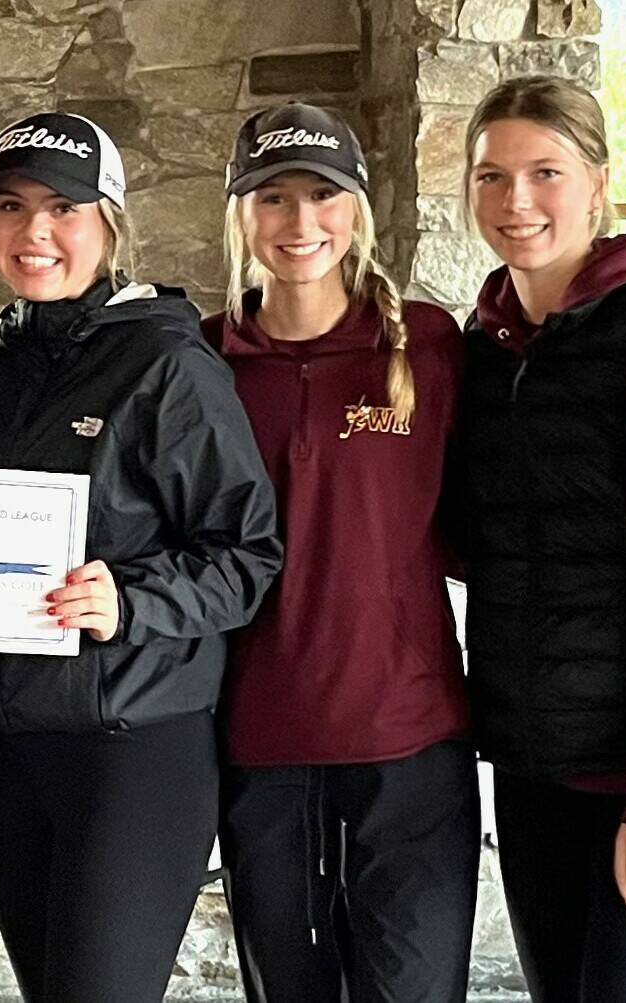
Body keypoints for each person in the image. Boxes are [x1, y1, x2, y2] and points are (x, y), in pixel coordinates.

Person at [0, 110, 282, 1003]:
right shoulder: (1, 366)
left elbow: (250, 553)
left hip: (135, 748)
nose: (36, 232)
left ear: (109, 224)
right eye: (13, 206)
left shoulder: (170, 365)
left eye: (65, 208)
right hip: (18, 747)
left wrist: (132, 599)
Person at [203, 102, 479, 1003]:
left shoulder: (428, 347)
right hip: (260, 739)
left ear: (357, 208)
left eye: (323, 194)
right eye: (273, 197)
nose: (300, 222)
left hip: (410, 741)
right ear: (241, 214)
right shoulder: (202, 361)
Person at [457, 73, 626, 1003]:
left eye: (545, 172)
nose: (516, 202)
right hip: (530, 758)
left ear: (598, 184)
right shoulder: (481, 345)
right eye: (490, 176)